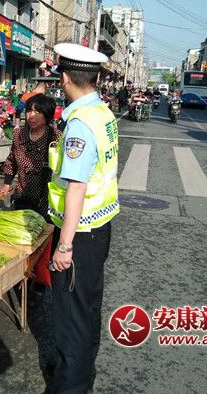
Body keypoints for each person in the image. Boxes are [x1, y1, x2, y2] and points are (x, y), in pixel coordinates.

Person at [47, 43, 120, 393]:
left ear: (64, 78)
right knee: (88, 308)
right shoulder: (102, 112)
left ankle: (71, 386)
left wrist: (64, 246)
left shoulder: (79, 124)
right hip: (99, 227)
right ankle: (81, 375)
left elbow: (76, 187)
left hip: (78, 233)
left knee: (71, 318)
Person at [0, 94, 60, 219]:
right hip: (22, 196)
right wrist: (7, 183)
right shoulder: (19, 135)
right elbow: (12, 160)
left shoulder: (56, 137)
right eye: (29, 111)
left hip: (45, 200)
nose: (31, 115)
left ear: (47, 114)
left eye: (37, 112)